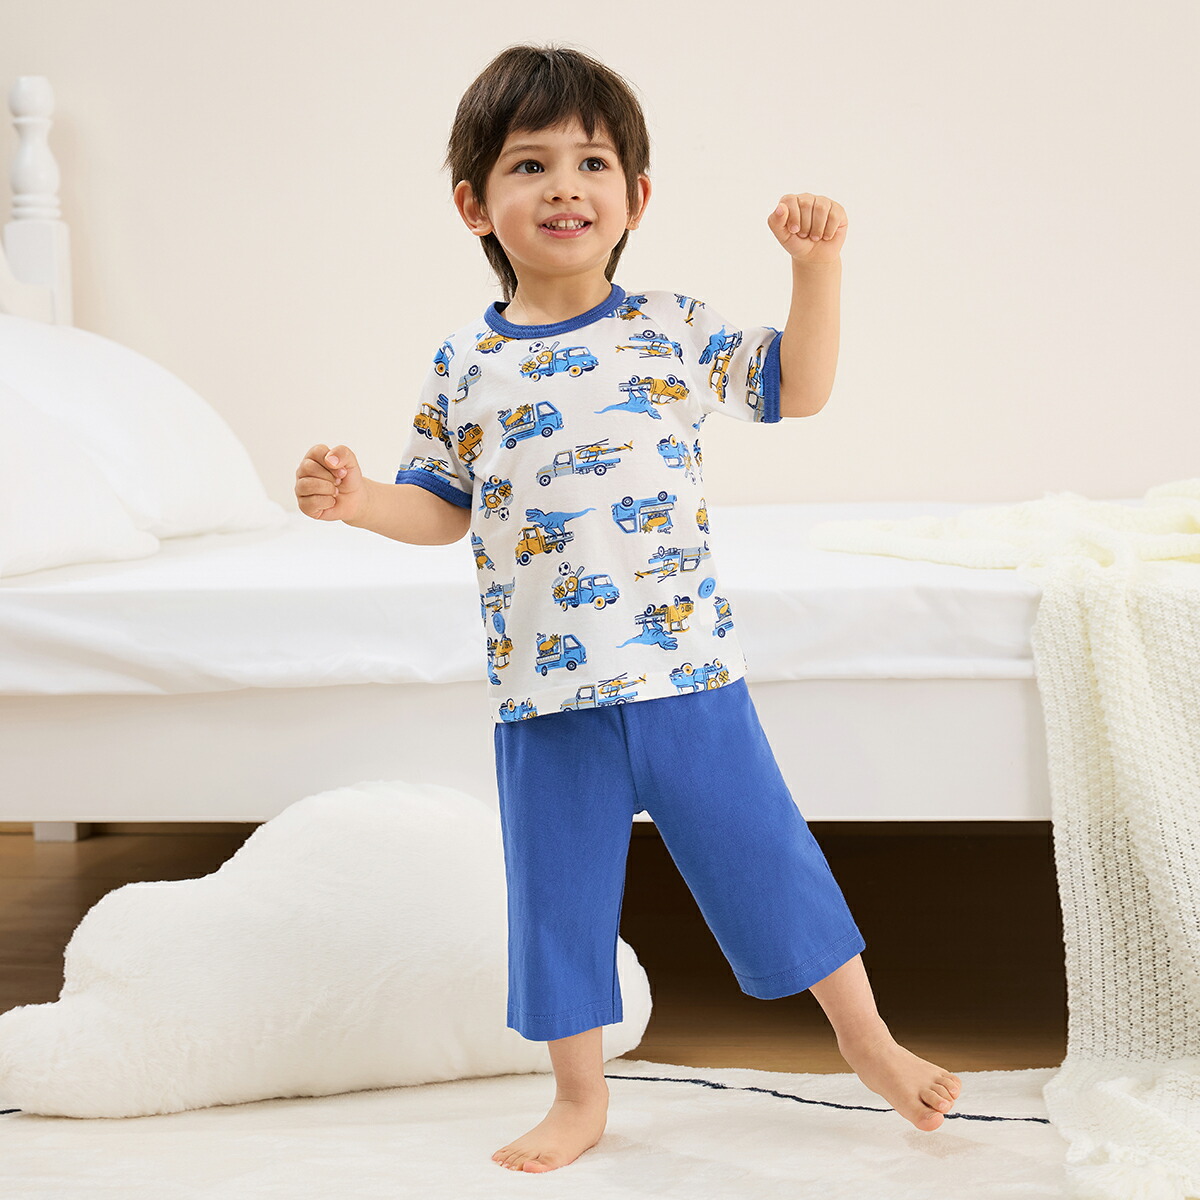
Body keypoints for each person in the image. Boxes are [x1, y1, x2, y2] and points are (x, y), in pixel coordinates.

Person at [294, 42, 962, 1175]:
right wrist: (360, 501)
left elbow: (798, 388)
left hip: (687, 675)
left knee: (770, 861)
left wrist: (817, 270)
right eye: (530, 164)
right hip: (545, 694)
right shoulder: (466, 364)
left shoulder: (672, 327)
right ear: (474, 205)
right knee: (557, 903)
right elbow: (440, 507)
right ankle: (578, 1095)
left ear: (636, 197)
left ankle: (869, 1042)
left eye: (591, 162)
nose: (565, 186)